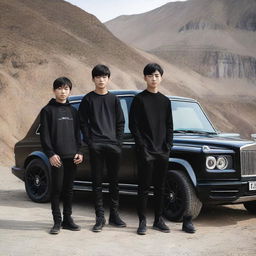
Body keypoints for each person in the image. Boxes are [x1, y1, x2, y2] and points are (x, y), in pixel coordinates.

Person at [129, 63, 196, 235]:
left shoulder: (165, 101)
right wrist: (142, 148)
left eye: (157, 75)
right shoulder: (139, 100)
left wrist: (168, 147)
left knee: (160, 188)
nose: (154, 78)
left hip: (162, 152)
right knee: (143, 188)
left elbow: (169, 126)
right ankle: (142, 221)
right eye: (150, 75)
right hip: (146, 152)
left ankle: (158, 220)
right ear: (145, 78)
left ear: (161, 78)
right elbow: (134, 126)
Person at [79, 64, 126, 232]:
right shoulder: (88, 99)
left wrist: (118, 142)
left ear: (108, 79)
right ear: (93, 79)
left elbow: (120, 122)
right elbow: (82, 123)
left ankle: (114, 215)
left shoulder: (114, 99)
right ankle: (100, 217)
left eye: (104, 77)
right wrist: (90, 142)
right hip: (96, 146)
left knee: (114, 182)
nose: (101, 79)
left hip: (113, 145)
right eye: (98, 77)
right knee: (97, 182)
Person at [40, 77, 83, 235]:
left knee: (69, 190)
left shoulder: (73, 111)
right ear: (54, 90)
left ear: (70, 91)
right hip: (56, 157)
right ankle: (57, 222)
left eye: (66, 89)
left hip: (72, 156)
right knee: (57, 189)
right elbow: (44, 136)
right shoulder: (47, 110)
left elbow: (78, 134)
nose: (63, 91)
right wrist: (51, 154)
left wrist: (79, 151)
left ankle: (67, 220)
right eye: (59, 88)